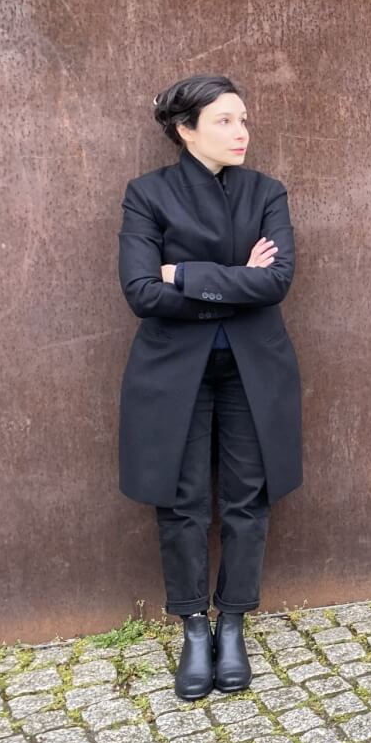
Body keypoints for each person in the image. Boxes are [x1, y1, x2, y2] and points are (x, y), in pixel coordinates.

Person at [117, 74, 302, 700]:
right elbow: (141, 292)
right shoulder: (147, 196)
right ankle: (194, 624)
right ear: (185, 129)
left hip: (255, 368)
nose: (241, 131)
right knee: (182, 499)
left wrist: (184, 274)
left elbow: (275, 283)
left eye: (244, 118)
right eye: (224, 120)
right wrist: (231, 283)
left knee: (247, 497)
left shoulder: (266, 193)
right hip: (175, 373)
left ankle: (233, 622)